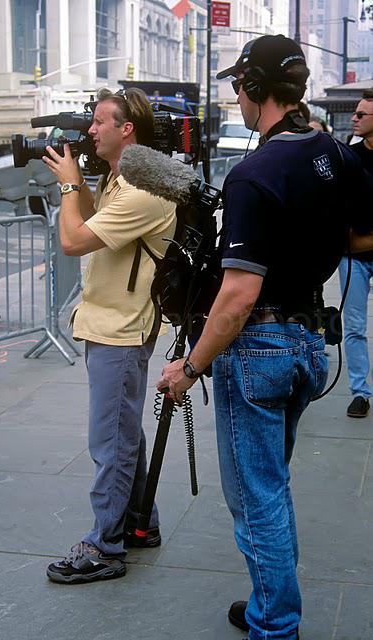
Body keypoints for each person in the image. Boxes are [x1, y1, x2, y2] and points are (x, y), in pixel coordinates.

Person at [158, 35, 373, 639]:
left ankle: (276, 625)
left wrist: (189, 369)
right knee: (269, 491)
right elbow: (361, 237)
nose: (235, 95)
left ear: (255, 89)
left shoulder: (253, 173)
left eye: (237, 85)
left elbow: (237, 296)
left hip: (257, 350)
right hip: (307, 344)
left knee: (257, 500)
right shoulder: (334, 152)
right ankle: (267, 604)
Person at [42, 87, 176, 584]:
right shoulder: (125, 178)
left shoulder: (144, 190)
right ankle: (141, 525)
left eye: (100, 122)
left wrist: (68, 187)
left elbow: (75, 240)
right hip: (109, 325)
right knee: (124, 434)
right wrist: (81, 182)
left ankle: (105, 546)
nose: (90, 129)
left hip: (122, 331)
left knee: (110, 441)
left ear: (128, 130)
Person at [338, 89, 373, 417]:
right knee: (355, 326)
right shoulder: (350, 157)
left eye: (362, 115)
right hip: (353, 257)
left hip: (362, 246)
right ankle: (361, 391)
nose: (355, 119)